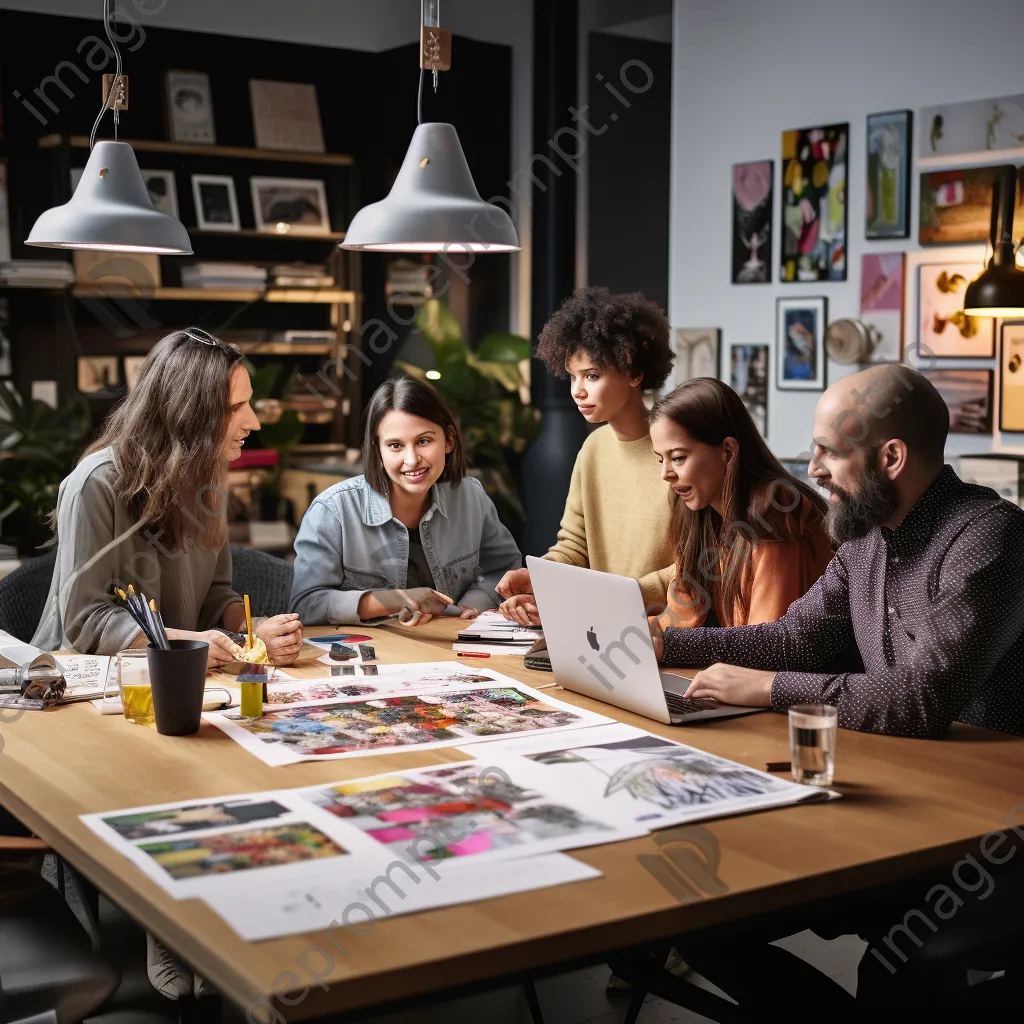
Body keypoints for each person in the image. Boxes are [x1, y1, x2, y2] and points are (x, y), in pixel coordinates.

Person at [653, 363, 1024, 739]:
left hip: (990, 780)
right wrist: (663, 645)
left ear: (891, 458)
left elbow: (921, 698)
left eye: (829, 452)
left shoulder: (991, 536)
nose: (813, 470)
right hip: (901, 760)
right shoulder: (866, 535)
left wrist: (768, 687)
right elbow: (793, 640)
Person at [33, 328, 304, 670]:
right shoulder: (95, 484)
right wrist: (187, 643)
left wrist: (254, 631)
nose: (254, 422)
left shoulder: (208, 480)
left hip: (177, 674)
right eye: (235, 408)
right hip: (74, 686)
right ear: (188, 414)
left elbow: (215, 598)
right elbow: (87, 622)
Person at [498, 287, 676, 625]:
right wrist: (540, 579)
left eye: (592, 376)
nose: (577, 390)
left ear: (634, 373)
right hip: (600, 625)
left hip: (670, 633)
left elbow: (701, 564)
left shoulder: (679, 451)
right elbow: (575, 546)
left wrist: (619, 595)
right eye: (573, 376)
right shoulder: (594, 449)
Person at [290, 376, 521, 625]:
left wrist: (470, 606)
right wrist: (396, 599)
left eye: (423, 441)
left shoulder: (471, 496)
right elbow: (306, 605)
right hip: (372, 655)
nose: (411, 460)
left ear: (449, 440)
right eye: (395, 446)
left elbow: (503, 569)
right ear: (377, 450)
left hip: (452, 650)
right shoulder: (332, 511)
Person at [649, 377, 831, 632]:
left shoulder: (777, 511)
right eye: (661, 460)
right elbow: (679, 617)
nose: (666, 473)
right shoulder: (700, 515)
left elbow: (764, 641)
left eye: (678, 457)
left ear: (728, 451)